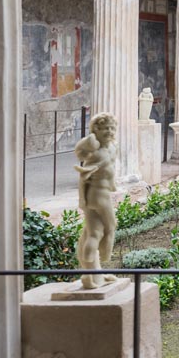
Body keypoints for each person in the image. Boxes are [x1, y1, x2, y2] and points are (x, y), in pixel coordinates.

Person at [74, 113, 120, 289]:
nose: (109, 131)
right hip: (99, 197)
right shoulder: (96, 154)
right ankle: (104, 256)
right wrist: (90, 140)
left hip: (96, 197)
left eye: (111, 128)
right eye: (104, 129)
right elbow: (80, 152)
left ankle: (92, 273)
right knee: (111, 226)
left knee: (94, 233)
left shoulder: (110, 148)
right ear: (96, 131)